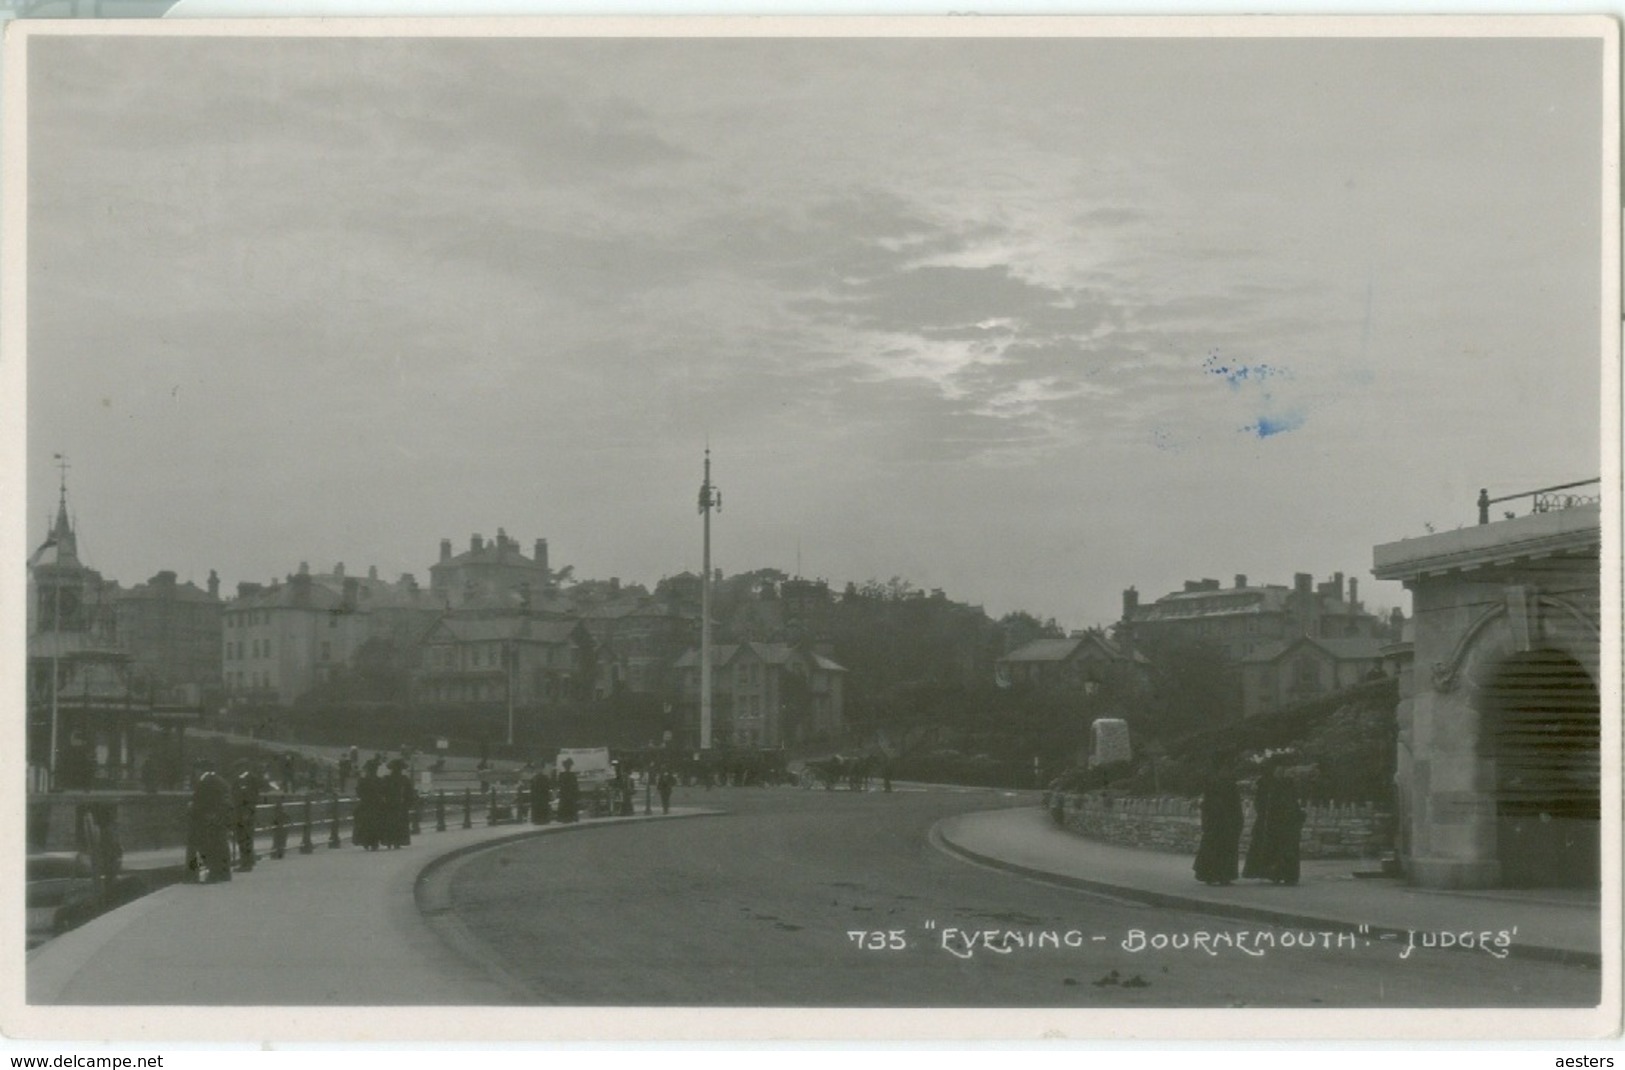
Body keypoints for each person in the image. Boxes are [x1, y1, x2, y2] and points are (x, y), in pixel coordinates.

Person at [1242, 757, 1305, 885]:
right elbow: (1260, 803)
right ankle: (1274, 874)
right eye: (1279, 768)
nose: (1281, 770)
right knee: (1273, 848)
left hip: (1285, 821)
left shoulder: (1287, 783)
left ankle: (1286, 875)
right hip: (1273, 821)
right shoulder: (1266, 783)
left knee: (1285, 849)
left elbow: (1291, 802)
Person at [1192, 757, 1243, 886]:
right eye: (1224, 769)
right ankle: (1210, 875)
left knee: (1227, 849)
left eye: (1228, 769)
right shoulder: (1212, 783)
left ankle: (1224, 876)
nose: (1226, 771)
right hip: (1215, 822)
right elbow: (1207, 804)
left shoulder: (1231, 784)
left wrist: (1237, 820)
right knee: (1214, 849)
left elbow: (1236, 804)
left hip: (1228, 821)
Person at [190, 762, 234, 883]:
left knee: (209, 846)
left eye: (195, 770)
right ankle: (224, 873)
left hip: (210, 818)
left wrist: (193, 807)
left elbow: (206, 801)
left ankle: (214, 874)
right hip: (220, 818)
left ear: (199, 769)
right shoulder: (219, 780)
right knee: (221, 845)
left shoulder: (206, 781)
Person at [232, 762, 263, 872]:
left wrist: (247, 812)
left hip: (245, 812)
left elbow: (250, 796)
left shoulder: (247, 779)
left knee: (245, 837)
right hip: (243, 811)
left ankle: (246, 863)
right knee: (245, 837)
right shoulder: (243, 778)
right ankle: (248, 860)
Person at [380, 758, 414, 849]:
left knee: (389, 822)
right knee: (399, 822)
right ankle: (397, 841)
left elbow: (381, 792)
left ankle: (389, 841)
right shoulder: (404, 779)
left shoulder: (386, 779)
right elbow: (409, 793)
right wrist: (408, 802)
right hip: (400, 804)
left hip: (389, 804)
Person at [353, 759, 383, 850]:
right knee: (376, 822)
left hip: (365, 804)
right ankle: (375, 842)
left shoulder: (363, 780)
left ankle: (366, 841)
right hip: (376, 804)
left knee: (364, 823)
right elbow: (382, 792)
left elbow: (358, 792)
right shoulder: (379, 780)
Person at [557, 758, 581, 823]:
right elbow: (575, 786)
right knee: (570, 806)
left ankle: (565, 818)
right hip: (569, 795)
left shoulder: (562, 775)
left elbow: (559, 785)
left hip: (565, 795)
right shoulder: (572, 775)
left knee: (565, 807)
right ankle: (570, 817)